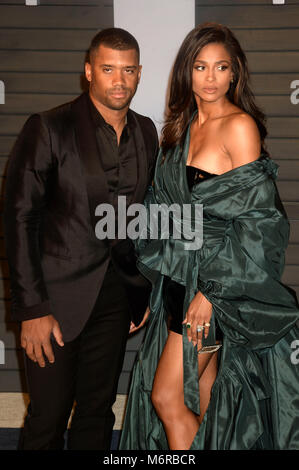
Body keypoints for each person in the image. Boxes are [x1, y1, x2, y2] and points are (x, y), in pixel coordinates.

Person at [119, 22, 299, 450]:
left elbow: (258, 224)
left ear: (235, 73)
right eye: (201, 67)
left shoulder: (240, 127)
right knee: (205, 399)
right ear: (187, 72)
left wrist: (210, 294)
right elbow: (164, 207)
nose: (211, 78)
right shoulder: (183, 126)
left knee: (165, 397)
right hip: (181, 280)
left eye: (221, 67)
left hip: (216, 287)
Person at [3, 27, 158, 450]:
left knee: (97, 413)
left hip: (114, 300)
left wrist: (137, 291)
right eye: (108, 69)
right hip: (53, 303)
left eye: (128, 70)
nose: (119, 80)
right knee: (47, 419)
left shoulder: (147, 132)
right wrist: (32, 309)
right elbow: (20, 219)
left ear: (140, 73)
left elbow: (140, 220)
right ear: (89, 71)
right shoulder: (49, 127)